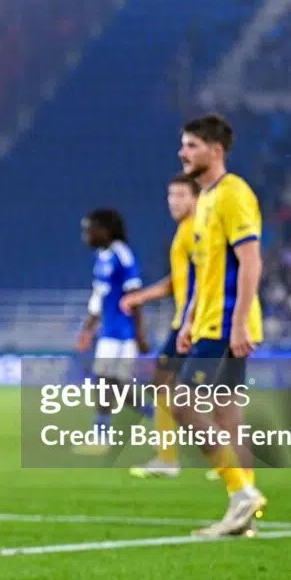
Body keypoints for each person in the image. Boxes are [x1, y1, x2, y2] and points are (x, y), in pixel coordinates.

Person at [173, 115, 267, 537]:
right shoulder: (207, 199)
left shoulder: (234, 194)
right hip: (209, 320)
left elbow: (250, 261)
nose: (183, 152)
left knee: (182, 403)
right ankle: (242, 511)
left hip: (226, 323)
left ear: (216, 150)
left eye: (191, 145)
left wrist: (240, 322)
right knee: (228, 416)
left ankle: (241, 492)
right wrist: (189, 316)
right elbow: (205, 268)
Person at [121, 173, 200, 478]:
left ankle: (224, 462)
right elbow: (177, 282)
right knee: (167, 386)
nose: (173, 202)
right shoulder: (184, 231)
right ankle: (169, 459)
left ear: (196, 198)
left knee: (195, 394)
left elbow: (207, 279)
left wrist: (192, 319)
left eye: (181, 195)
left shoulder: (197, 232)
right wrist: (141, 297)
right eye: (171, 195)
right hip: (186, 321)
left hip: (195, 323)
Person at [76, 209, 144, 436]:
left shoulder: (122, 255)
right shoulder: (101, 257)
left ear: (104, 231)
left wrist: (140, 333)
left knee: (116, 384)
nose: (86, 235)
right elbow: (99, 296)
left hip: (124, 332)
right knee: (105, 381)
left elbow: (134, 295)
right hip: (108, 331)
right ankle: (101, 429)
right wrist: (88, 329)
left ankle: (154, 414)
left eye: (89, 230)